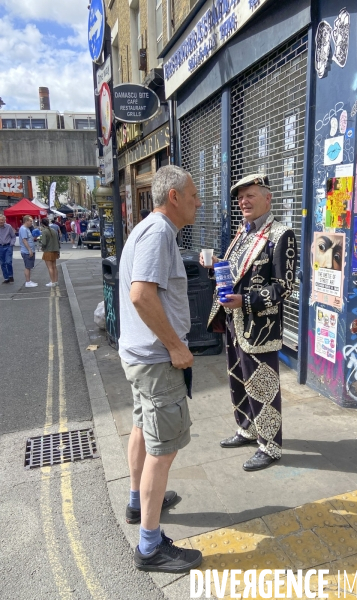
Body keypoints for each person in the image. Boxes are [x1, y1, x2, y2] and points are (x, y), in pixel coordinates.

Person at [119, 165, 202, 573]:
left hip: (138, 357)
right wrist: (176, 346)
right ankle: (150, 547)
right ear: (173, 197)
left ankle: (138, 501)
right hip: (156, 360)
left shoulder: (145, 230)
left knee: (141, 426)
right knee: (163, 451)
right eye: (193, 196)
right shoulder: (157, 234)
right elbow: (140, 295)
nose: (198, 202)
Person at [201, 174, 297, 471]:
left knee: (264, 388)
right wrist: (217, 264)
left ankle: (270, 446)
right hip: (233, 322)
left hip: (261, 327)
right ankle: (247, 429)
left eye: (250, 195)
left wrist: (247, 301)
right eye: (240, 197)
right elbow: (236, 273)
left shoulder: (281, 234)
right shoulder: (243, 233)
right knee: (238, 382)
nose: (243, 201)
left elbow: (285, 286)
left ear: (267, 198)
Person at [19, 215, 38, 288]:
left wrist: (34, 238)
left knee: (29, 267)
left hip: (30, 250)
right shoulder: (23, 229)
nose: (31, 223)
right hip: (26, 251)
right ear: (26, 221)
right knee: (27, 267)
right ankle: (28, 282)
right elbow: (24, 240)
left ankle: (29, 281)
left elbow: (29, 239)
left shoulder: (26, 228)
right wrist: (29, 250)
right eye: (30, 221)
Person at [40, 218, 60, 287]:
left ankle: (52, 282)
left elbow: (44, 243)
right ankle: (56, 281)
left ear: (42, 224)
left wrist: (42, 247)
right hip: (55, 250)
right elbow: (58, 241)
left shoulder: (44, 231)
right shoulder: (53, 230)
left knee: (50, 267)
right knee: (54, 267)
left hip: (48, 251)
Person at [0, 213, 16, 283]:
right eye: (0, 220)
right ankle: (6, 278)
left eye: (2, 220)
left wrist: (11, 244)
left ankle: (10, 275)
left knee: (8, 262)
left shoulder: (8, 227)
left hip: (8, 246)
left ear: (4, 220)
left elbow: (13, 236)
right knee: (2, 263)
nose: (1, 221)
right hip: (0, 246)